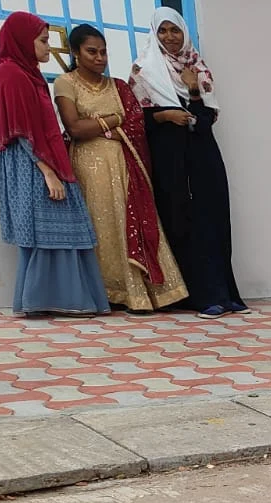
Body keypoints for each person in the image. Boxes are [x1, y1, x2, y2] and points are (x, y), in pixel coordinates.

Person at [54, 24, 186, 313]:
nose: (99, 58)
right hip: (89, 166)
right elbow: (75, 128)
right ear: (76, 53)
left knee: (127, 222)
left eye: (103, 52)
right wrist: (113, 120)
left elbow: (136, 123)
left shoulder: (119, 86)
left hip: (125, 162)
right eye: (92, 52)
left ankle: (140, 294)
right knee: (102, 226)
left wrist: (98, 125)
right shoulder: (66, 83)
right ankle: (106, 293)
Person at [131, 7, 246, 318]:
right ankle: (199, 296)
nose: (169, 37)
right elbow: (137, 121)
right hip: (170, 158)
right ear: (154, 34)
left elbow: (205, 120)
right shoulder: (143, 71)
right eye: (163, 30)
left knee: (214, 218)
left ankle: (225, 293)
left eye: (175, 30)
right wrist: (166, 116)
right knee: (183, 220)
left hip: (202, 154)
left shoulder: (198, 68)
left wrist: (193, 89)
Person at [0, 12, 108, 317]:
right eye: (43, 41)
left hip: (43, 158)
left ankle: (62, 299)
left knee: (61, 226)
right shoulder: (12, 73)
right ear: (22, 41)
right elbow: (20, 129)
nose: (48, 47)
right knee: (44, 229)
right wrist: (47, 172)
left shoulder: (27, 73)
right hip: (31, 161)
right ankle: (45, 300)